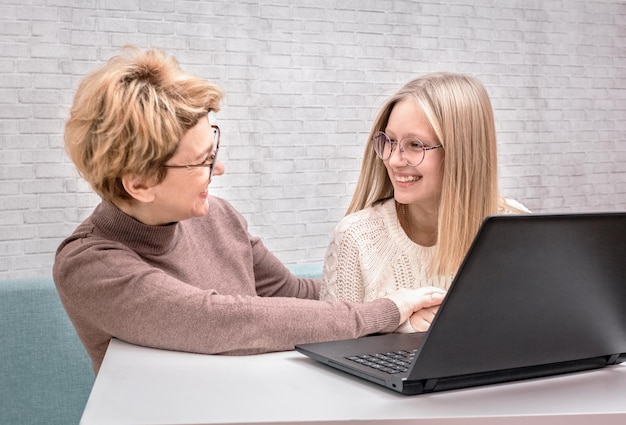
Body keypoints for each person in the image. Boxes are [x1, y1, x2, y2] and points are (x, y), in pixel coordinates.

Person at [53, 46, 445, 375]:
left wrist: (416, 299)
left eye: (214, 149)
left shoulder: (218, 217)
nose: (218, 168)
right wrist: (386, 312)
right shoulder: (89, 266)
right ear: (138, 183)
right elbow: (223, 322)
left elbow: (294, 294)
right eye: (203, 161)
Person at [320, 73, 529, 332]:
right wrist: (400, 329)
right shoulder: (356, 237)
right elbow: (332, 348)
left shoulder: (517, 229)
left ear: (461, 152)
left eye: (415, 145)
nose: (394, 160)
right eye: (390, 141)